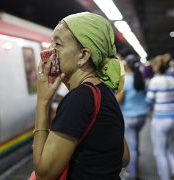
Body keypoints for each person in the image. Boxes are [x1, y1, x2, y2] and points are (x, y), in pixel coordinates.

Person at [33, 12, 128, 179]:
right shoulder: (104, 91)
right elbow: (124, 156)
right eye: (51, 43)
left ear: (83, 56)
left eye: (58, 44)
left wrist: (42, 103)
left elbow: (44, 175)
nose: (49, 51)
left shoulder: (79, 99)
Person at [146, 55, 174, 180]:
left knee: (159, 152)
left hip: (161, 119)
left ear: (156, 67)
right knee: (167, 148)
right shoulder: (172, 79)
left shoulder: (155, 81)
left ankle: (165, 177)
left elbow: (149, 100)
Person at [116, 54, 149, 179]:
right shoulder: (141, 78)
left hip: (129, 117)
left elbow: (118, 99)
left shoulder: (125, 80)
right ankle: (135, 170)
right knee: (136, 142)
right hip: (142, 116)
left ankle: (131, 175)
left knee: (131, 147)